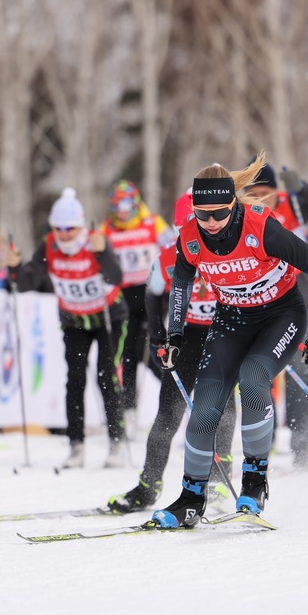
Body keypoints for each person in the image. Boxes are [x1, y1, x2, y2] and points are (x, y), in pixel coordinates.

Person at [150, 153, 308, 528]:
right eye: (204, 215)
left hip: (280, 314)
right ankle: (190, 497)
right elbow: (181, 284)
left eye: (219, 213)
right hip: (232, 317)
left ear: (233, 203)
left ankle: (254, 481)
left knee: (253, 379)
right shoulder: (190, 234)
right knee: (204, 407)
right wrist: (174, 334)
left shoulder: (260, 227)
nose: (212, 222)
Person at [107, 192, 237, 512]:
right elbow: (152, 297)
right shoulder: (169, 255)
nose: (191, 235)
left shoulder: (229, 250)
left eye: (195, 226)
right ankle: (148, 486)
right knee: (168, 414)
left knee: (223, 411)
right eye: (183, 228)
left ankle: (219, 483)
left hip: (224, 333)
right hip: (189, 335)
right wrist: (157, 336)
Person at [12, 188, 128, 468]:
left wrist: (102, 255)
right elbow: (27, 281)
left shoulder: (95, 241)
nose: (64, 234)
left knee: (106, 377)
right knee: (74, 380)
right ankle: (77, 446)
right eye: (59, 228)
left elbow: (116, 276)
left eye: (70, 228)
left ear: (80, 225)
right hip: (75, 320)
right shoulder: (49, 245)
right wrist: (14, 268)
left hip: (108, 317)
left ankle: (116, 442)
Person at [244, 159, 308, 467]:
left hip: (297, 300)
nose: (258, 197)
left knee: (299, 370)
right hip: (257, 302)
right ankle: (262, 441)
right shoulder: (242, 214)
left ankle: (304, 444)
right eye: (252, 192)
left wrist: (301, 187)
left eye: (264, 191)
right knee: (258, 373)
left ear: (275, 191)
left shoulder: (292, 205)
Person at [103, 181, 174, 433]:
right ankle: (130, 410)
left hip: (152, 294)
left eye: (125, 205)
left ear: (134, 203)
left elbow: (174, 247)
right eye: (116, 206)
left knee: (142, 348)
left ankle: (175, 393)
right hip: (124, 298)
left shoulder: (152, 222)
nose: (121, 211)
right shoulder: (107, 229)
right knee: (129, 356)